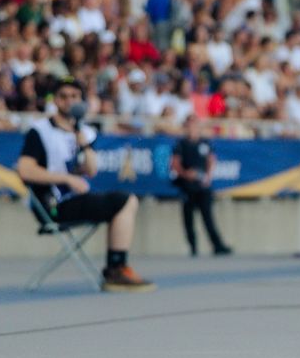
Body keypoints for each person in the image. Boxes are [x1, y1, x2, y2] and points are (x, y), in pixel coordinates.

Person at [16, 78, 154, 292]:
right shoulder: (40, 130)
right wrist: (66, 178)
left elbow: (91, 169)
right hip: (52, 203)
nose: (69, 101)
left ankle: (117, 267)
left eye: (74, 97)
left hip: (75, 196)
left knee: (126, 201)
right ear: (55, 100)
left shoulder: (85, 132)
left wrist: (82, 142)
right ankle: (116, 269)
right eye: (63, 96)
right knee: (124, 200)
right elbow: (25, 170)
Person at [171, 114, 231, 257]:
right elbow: (175, 163)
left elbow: (211, 159)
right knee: (188, 219)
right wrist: (186, 174)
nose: (192, 128)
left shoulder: (205, 143)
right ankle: (193, 247)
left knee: (208, 217)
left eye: (195, 125)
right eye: (190, 125)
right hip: (187, 186)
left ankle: (218, 245)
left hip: (202, 186)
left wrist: (208, 176)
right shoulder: (181, 144)